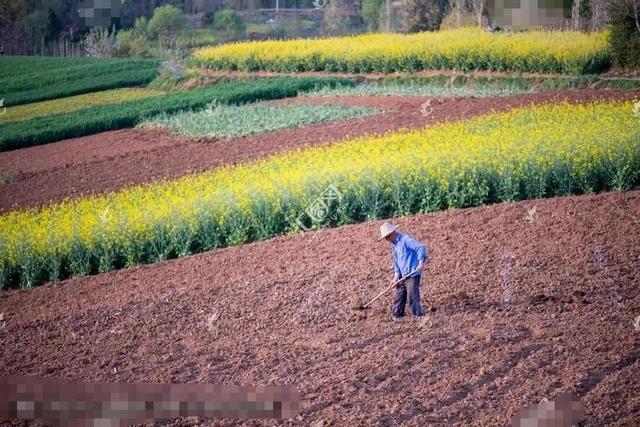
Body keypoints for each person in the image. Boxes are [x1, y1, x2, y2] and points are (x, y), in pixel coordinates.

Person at [379, 222, 428, 321]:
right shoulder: (394, 246)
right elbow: (396, 263)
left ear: (393, 232)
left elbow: (420, 247)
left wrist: (421, 262)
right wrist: (395, 278)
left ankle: (418, 316)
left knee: (412, 296)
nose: (387, 240)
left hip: (412, 273)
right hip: (402, 275)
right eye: (385, 238)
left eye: (387, 237)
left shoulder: (405, 240)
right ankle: (397, 316)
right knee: (399, 295)